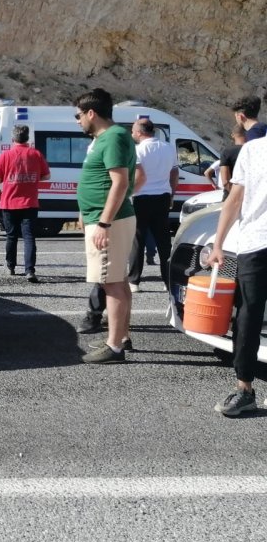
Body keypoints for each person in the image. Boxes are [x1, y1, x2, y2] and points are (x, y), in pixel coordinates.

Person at [74, 88, 136, 364]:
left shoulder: (113, 137)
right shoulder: (107, 137)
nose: (77, 121)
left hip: (109, 220)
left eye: (79, 115)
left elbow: (120, 182)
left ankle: (114, 346)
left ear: (91, 113)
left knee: (111, 283)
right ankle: (120, 337)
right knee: (118, 281)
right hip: (104, 218)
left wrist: (103, 222)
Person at [208, 134, 267, 415]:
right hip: (256, 243)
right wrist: (218, 243)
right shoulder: (252, 151)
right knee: (247, 316)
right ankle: (244, 388)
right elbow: (235, 198)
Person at [0, 125, 51, 281]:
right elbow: (46, 176)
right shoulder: (35, 154)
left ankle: (10, 266)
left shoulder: (6, 155)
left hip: (9, 202)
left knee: (11, 236)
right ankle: (30, 270)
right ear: (27, 139)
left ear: (13, 139)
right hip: (30, 202)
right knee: (29, 237)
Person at [126, 117, 178, 292]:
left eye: (133, 130)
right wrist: (172, 193)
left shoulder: (137, 150)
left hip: (141, 197)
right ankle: (167, 280)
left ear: (140, 132)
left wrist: (130, 193)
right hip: (162, 196)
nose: (132, 133)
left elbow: (136, 176)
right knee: (163, 241)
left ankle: (134, 281)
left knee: (137, 240)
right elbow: (174, 173)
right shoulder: (168, 148)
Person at [211, 124, 248, 197]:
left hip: (230, 196)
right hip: (250, 196)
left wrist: (234, 196)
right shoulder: (254, 150)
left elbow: (225, 181)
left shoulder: (227, 152)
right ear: (247, 134)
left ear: (232, 135)